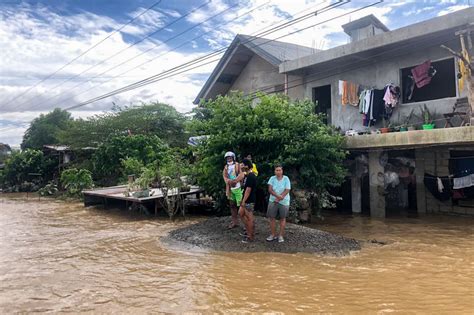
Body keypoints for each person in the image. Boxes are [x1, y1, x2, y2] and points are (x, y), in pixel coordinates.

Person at [266, 165, 291, 243]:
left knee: (282, 218)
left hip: (284, 201)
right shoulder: (272, 178)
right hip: (273, 200)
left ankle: (280, 236)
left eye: (279, 170)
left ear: (282, 171)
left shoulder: (286, 178)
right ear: (274, 171)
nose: (278, 172)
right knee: (272, 218)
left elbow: (288, 189)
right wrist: (277, 197)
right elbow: (270, 189)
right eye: (277, 170)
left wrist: (281, 197)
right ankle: (272, 234)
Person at [238, 158, 257, 243]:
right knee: (240, 213)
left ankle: (250, 236)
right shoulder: (246, 176)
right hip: (245, 199)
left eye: (242, 165)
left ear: (246, 166)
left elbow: (248, 190)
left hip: (249, 200)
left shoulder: (251, 176)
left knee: (249, 218)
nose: (241, 166)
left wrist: (243, 201)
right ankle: (248, 230)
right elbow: (243, 187)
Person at [222, 151, 242, 229]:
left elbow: (241, 174)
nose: (229, 159)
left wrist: (236, 180)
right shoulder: (226, 167)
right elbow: (224, 176)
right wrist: (228, 181)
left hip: (238, 187)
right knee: (232, 205)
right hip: (230, 188)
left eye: (230, 158)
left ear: (233, 158)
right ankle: (235, 222)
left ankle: (245, 223)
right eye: (227, 158)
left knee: (241, 206)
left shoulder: (238, 165)